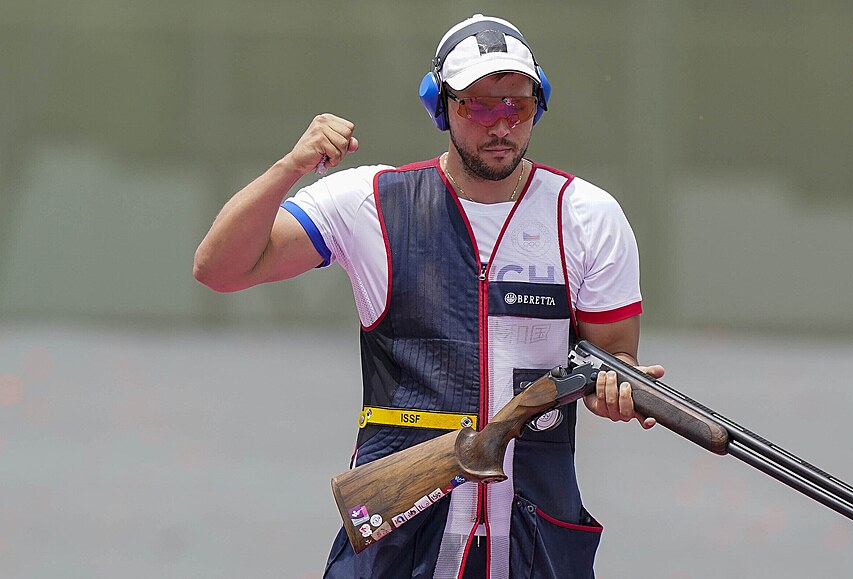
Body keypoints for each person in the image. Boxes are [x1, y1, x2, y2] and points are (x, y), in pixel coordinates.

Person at [193, 13, 662, 579]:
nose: (502, 124)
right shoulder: (368, 200)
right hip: (398, 535)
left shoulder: (589, 216)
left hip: (535, 533)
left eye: (517, 104)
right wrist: (292, 166)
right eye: (480, 106)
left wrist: (615, 388)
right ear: (441, 107)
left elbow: (613, 359)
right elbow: (219, 269)